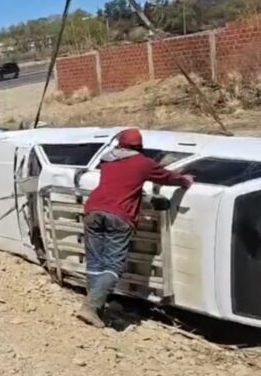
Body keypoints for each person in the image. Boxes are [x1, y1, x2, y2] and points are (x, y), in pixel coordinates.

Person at [76, 128, 193, 328]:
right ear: (140, 146)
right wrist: (184, 180)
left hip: (93, 210)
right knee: (113, 266)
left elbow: (120, 181)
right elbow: (166, 177)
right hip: (119, 215)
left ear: (120, 143)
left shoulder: (106, 160)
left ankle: (97, 307)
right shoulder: (143, 163)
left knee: (95, 263)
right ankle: (91, 306)